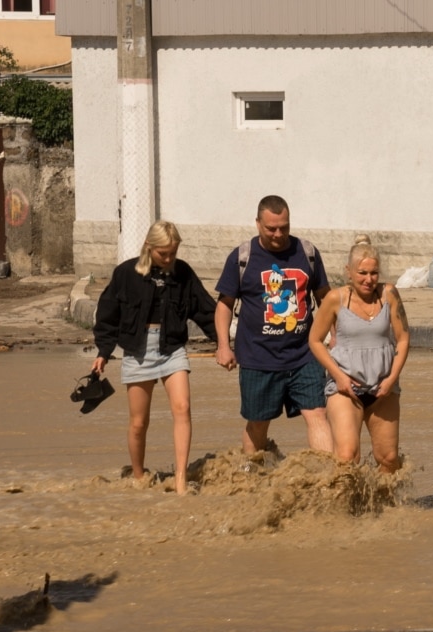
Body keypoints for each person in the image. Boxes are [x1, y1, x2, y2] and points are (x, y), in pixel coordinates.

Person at [92, 220, 219, 495]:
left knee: (183, 408)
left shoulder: (183, 273)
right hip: (137, 352)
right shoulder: (125, 273)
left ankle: (181, 480)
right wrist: (103, 352)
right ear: (149, 247)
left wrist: (225, 343)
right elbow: (108, 315)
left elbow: (205, 310)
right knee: (139, 423)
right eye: (164, 253)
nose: (170, 258)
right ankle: (139, 476)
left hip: (172, 348)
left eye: (173, 252)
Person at [214, 195, 332, 457]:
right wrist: (223, 346)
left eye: (284, 227)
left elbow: (325, 297)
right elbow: (224, 304)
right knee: (258, 422)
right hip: (258, 357)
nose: (279, 234)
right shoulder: (242, 257)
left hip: (305, 354)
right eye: (271, 228)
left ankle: (330, 480)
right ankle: (251, 478)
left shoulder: (308, 252)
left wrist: (335, 336)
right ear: (258, 224)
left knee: (318, 412)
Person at [308, 235, 410, 473]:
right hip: (346, 389)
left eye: (373, 273)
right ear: (349, 271)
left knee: (389, 458)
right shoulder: (336, 299)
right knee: (346, 456)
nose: (368, 280)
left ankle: (384, 507)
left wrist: (391, 379)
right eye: (362, 273)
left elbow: (404, 339)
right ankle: (343, 507)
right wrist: (339, 377)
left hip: (383, 388)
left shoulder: (390, 294)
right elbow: (314, 341)